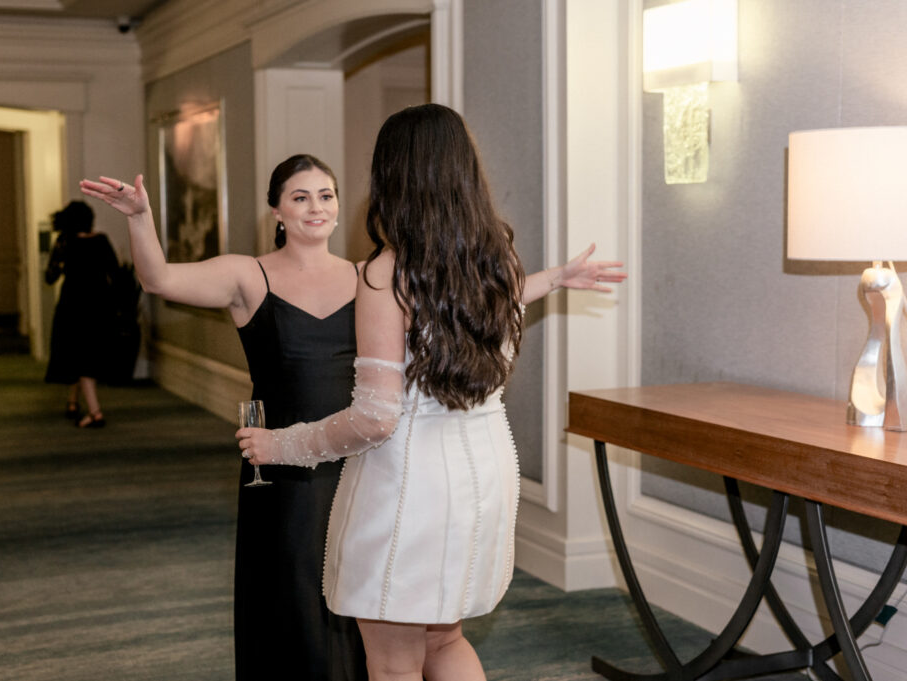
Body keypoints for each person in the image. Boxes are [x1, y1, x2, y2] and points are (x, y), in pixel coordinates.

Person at [236, 103, 626, 680]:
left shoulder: (386, 273)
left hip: (409, 485)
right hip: (485, 475)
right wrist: (556, 279)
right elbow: (498, 297)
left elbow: (375, 418)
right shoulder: (491, 259)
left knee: (393, 664)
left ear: (392, 176)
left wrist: (283, 445)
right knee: (445, 641)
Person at [81, 155, 370, 681]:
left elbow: (456, 302)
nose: (316, 207)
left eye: (325, 195)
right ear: (277, 210)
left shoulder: (365, 278)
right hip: (281, 468)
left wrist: (552, 279)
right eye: (300, 197)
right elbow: (159, 280)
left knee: (359, 592)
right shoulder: (247, 274)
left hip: (357, 458)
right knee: (293, 593)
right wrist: (140, 217)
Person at [44, 200, 119, 429]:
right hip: (99, 305)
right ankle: (72, 402)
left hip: (72, 306)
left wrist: (60, 260)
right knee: (86, 354)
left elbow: (50, 276)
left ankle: (95, 413)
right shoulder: (102, 241)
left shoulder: (65, 242)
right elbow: (115, 273)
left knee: (79, 356)